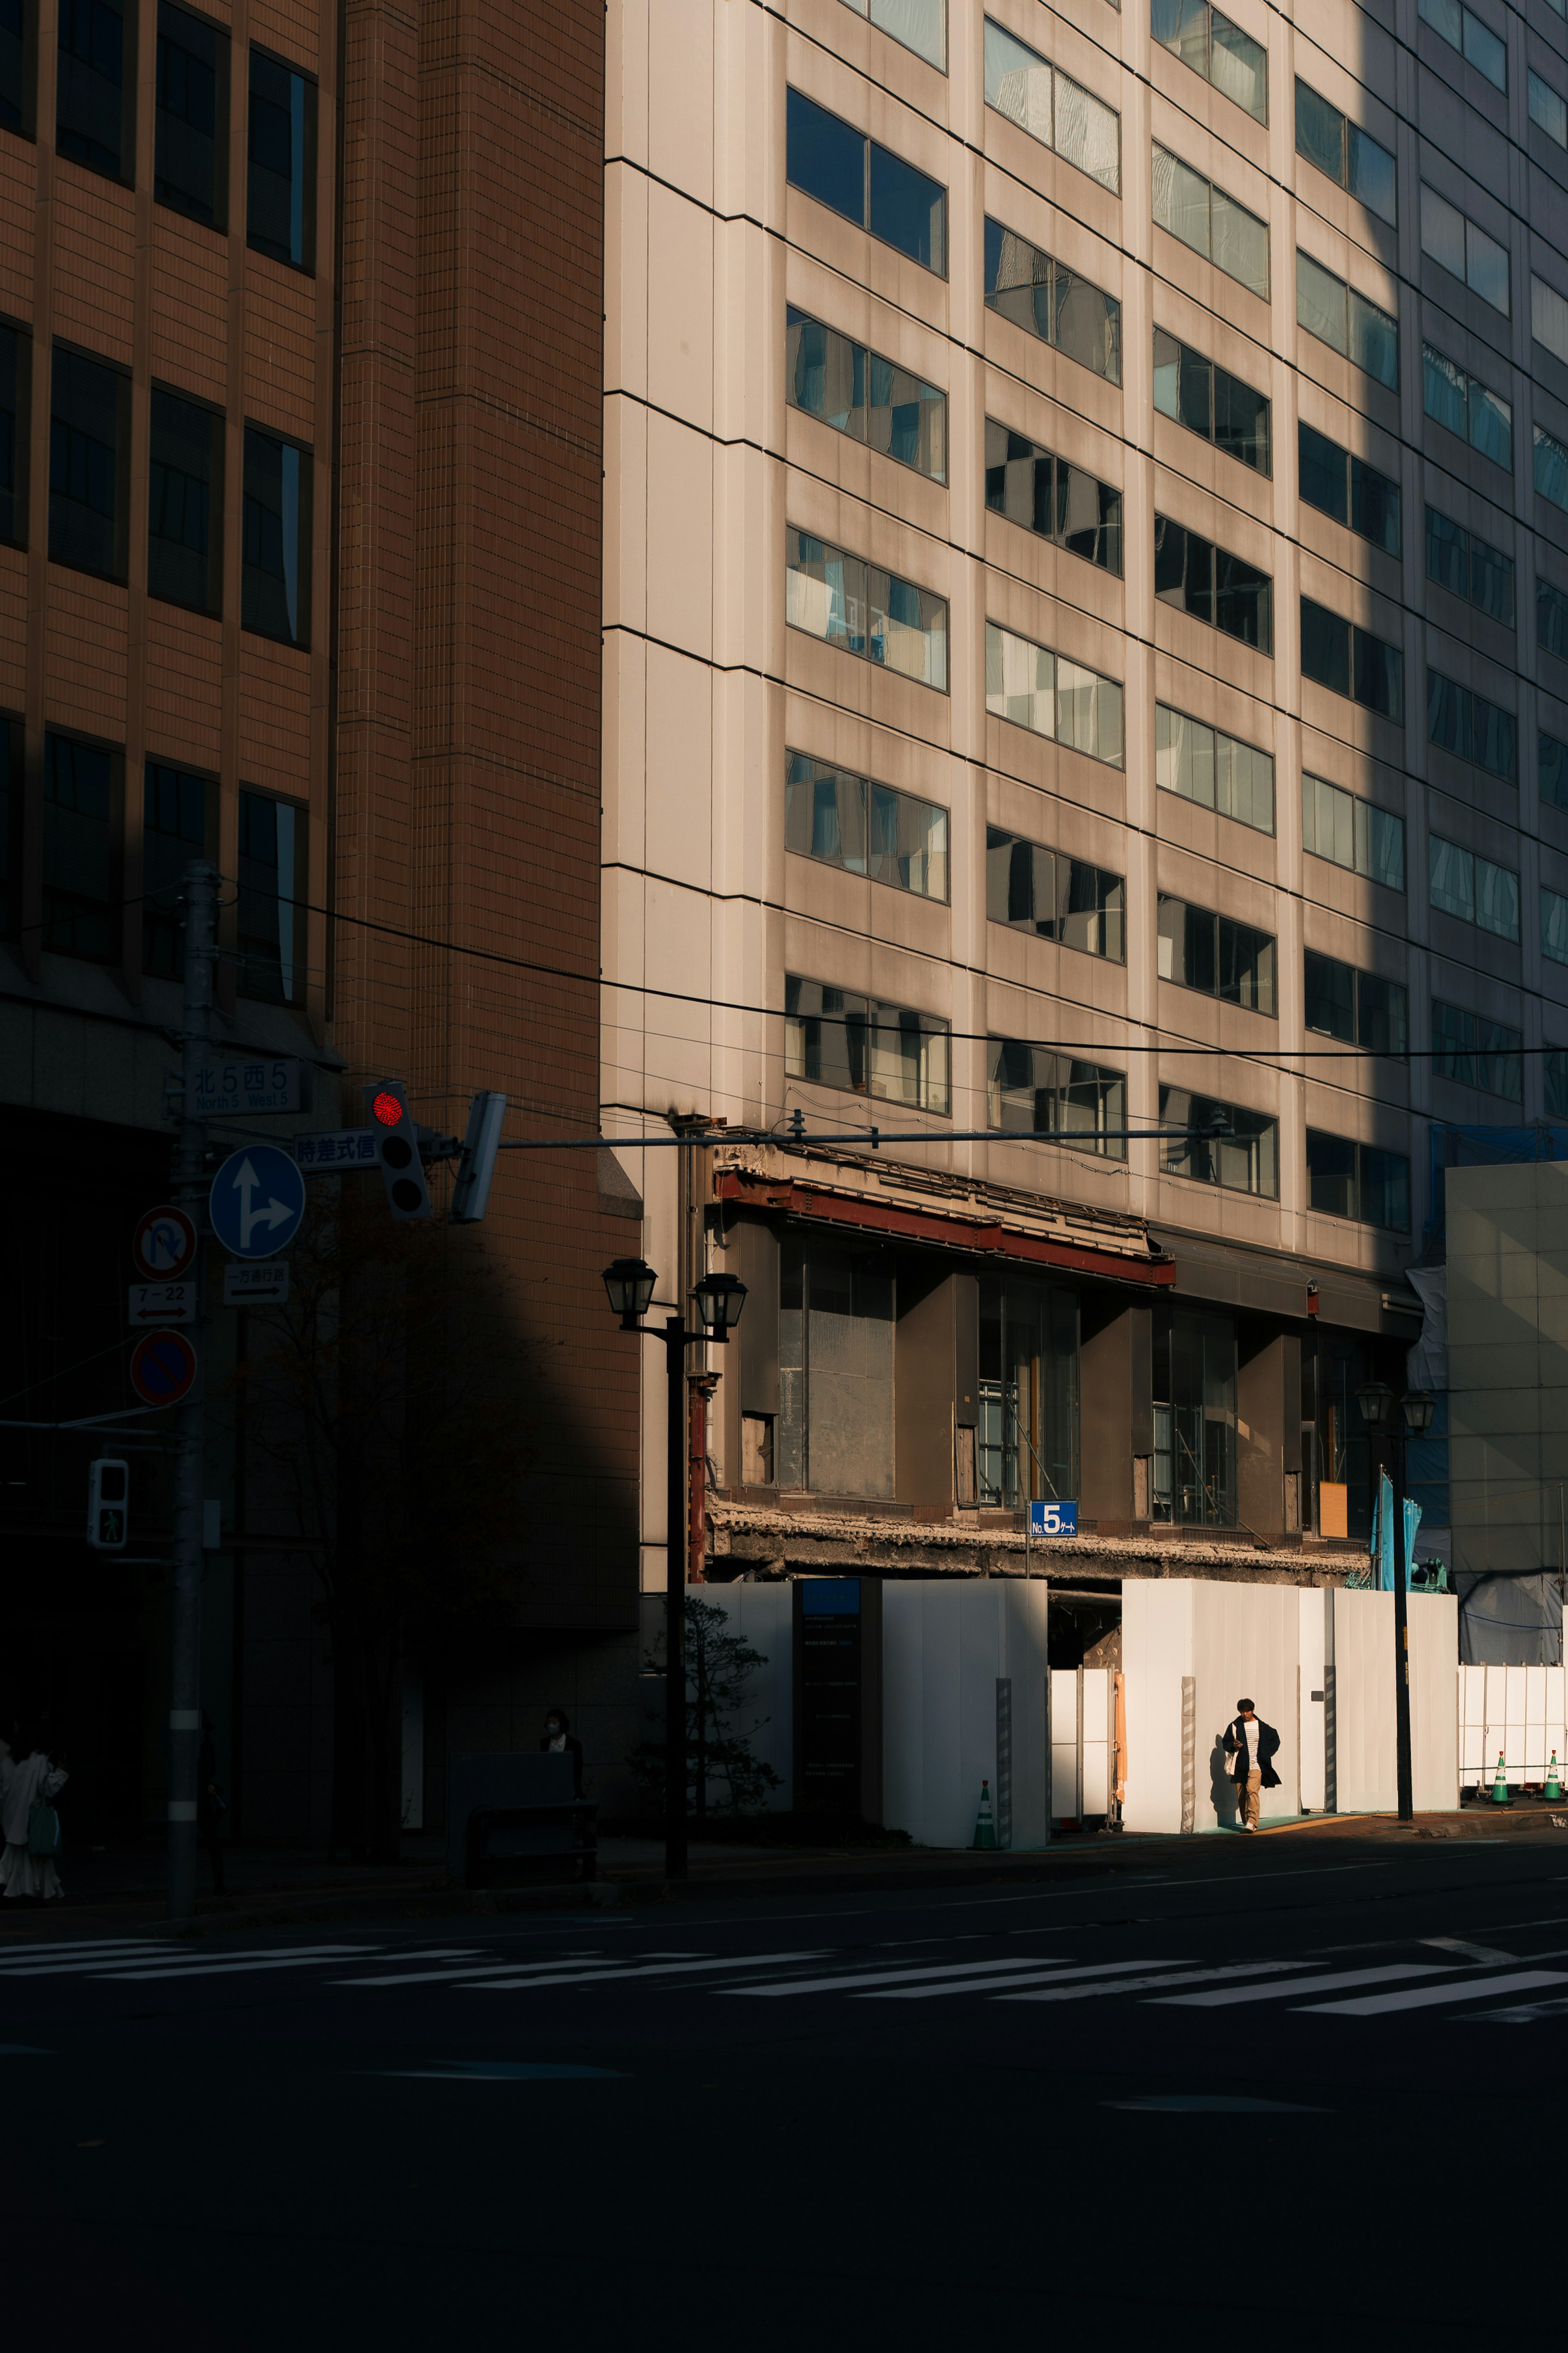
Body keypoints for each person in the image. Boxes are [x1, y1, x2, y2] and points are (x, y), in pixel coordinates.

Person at [0, 1728, 67, 1900]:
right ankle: (34, 1890)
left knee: (16, 1856)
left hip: (11, 1816)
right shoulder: (39, 1761)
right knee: (37, 1858)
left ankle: (16, 1888)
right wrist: (60, 1771)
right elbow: (46, 1788)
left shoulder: (8, 1762)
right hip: (31, 1818)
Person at [1223, 1697, 1280, 1833]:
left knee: (1252, 1790)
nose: (1245, 1715)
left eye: (1247, 1712)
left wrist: (1267, 1754)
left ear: (1252, 1711)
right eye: (1242, 1712)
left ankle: (1252, 1822)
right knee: (1242, 1795)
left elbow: (1275, 1739)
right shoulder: (1235, 1726)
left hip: (1257, 1765)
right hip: (1240, 1766)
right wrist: (1233, 1745)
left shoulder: (1262, 1727)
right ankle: (1247, 1821)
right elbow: (1226, 1742)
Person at [198, 1715, 227, 1896]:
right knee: (213, 1843)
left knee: (214, 1843)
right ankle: (219, 1885)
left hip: (201, 1797)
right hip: (199, 1797)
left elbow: (210, 1770)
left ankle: (220, 1885)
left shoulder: (206, 1747)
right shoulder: (205, 1747)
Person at [540, 1708, 584, 1798]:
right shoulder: (544, 1743)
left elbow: (578, 1770)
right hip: (550, 1788)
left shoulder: (574, 1745)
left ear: (561, 1724)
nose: (550, 1725)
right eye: (549, 1722)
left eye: (554, 1722)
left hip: (569, 1789)